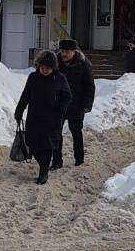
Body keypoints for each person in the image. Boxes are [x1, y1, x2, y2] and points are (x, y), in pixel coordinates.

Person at [14, 51, 71, 186]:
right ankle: (43, 166)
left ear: (53, 68)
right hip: (34, 117)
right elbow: (25, 95)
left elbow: (67, 97)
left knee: (47, 146)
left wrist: (59, 110)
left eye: (48, 68)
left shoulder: (60, 79)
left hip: (52, 119)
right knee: (31, 142)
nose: (44, 70)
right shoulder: (33, 77)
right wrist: (19, 111)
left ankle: (43, 172)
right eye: (42, 67)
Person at [55, 38, 96, 168]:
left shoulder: (83, 64)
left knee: (76, 131)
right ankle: (56, 161)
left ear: (74, 51)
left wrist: (87, 104)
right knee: (56, 132)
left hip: (77, 104)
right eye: (62, 51)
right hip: (59, 103)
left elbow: (89, 86)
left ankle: (79, 159)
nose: (64, 54)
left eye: (67, 51)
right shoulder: (55, 62)